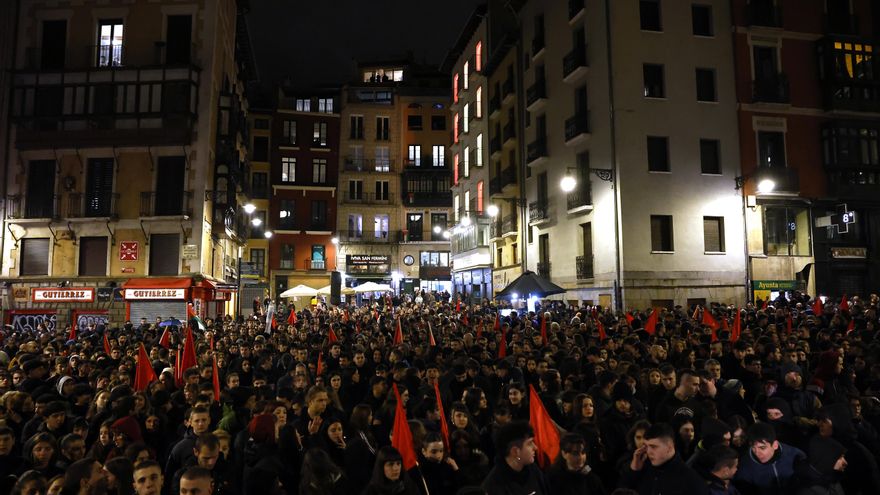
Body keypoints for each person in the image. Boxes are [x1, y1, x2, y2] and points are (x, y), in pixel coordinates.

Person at [619, 422, 709, 495]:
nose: (648, 451)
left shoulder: (691, 480)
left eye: (653, 447)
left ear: (669, 447)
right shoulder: (643, 468)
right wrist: (634, 471)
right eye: (646, 446)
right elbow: (623, 491)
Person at [733, 422, 805, 495]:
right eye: (753, 448)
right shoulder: (744, 466)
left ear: (775, 445)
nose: (757, 453)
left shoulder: (796, 455)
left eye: (762, 448)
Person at [481, 421, 548, 495]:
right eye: (530, 443)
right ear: (515, 451)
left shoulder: (533, 469)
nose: (535, 447)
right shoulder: (493, 486)